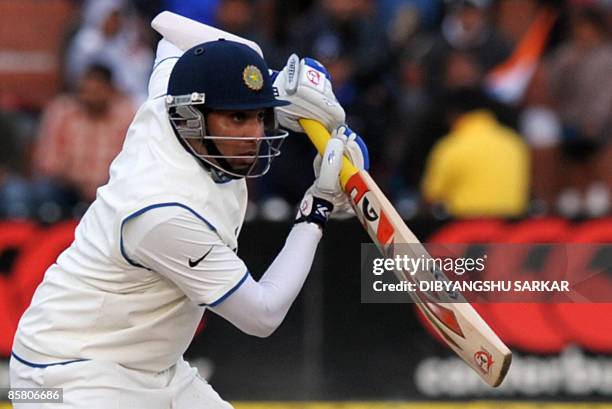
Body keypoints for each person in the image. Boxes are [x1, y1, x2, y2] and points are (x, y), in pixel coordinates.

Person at [9, 32, 368, 408]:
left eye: (261, 115)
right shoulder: (163, 214)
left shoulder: (169, 101)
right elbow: (262, 314)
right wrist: (317, 209)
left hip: (153, 370)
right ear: (192, 118)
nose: (256, 135)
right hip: (62, 377)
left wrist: (277, 79)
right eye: (237, 117)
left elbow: (171, 33)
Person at [33, 64, 136, 214]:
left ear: (110, 90)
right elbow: (48, 163)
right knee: (43, 193)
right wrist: (78, 182)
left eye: (96, 90)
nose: (90, 96)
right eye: (85, 90)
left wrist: (99, 185)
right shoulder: (62, 113)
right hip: (68, 188)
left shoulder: (125, 116)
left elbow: (131, 162)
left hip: (110, 188)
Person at [421, 87, 529, 217]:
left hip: (466, 230)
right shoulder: (514, 142)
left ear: (454, 114)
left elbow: (430, 198)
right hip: (512, 231)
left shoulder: (451, 146)